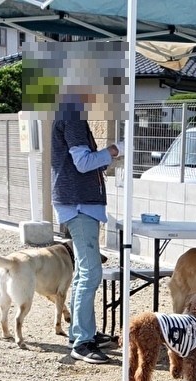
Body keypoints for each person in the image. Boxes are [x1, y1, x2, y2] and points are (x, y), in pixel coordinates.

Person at [51, 93, 124, 364]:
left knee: (85, 271)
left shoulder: (70, 113)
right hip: (79, 204)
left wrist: (106, 157)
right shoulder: (72, 115)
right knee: (91, 272)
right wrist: (114, 151)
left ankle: (82, 333)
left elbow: (81, 161)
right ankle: (82, 342)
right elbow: (83, 163)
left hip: (78, 203)